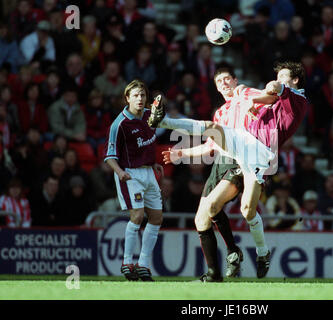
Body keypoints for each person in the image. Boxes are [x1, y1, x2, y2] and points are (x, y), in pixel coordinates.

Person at [159, 61, 308, 279]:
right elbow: (212, 144)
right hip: (241, 143)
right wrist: (182, 153)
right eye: (219, 81)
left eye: (283, 76)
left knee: (248, 210)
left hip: (260, 153)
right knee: (213, 129)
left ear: (294, 80)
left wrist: (254, 96)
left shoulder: (297, 99)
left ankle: (262, 252)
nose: (279, 79)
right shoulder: (226, 110)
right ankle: (164, 122)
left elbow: (274, 89)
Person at [104, 79, 164, 282]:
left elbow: (147, 144)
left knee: (156, 218)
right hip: (130, 174)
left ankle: (143, 264)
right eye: (136, 95)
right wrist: (120, 172)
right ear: (127, 98)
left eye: (143, 95)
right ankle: (127, 262)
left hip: (148, 172)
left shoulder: (149, 116)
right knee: (137, 216)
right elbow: (110, 156)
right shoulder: (119, 124)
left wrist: (153, 162)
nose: (140, 99)